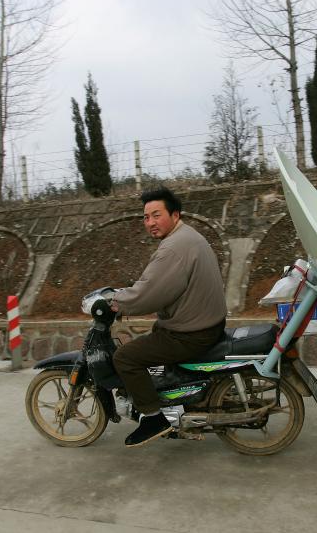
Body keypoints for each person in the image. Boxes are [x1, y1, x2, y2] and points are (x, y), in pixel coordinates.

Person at [110, 187, 227, 447]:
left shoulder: (174, 248)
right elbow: (157, 285)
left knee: (126, 357)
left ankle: (153, 418)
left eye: (156, 215)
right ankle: (173, 397)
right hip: (203, 323)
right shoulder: (186, 236)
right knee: (153, 335)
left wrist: (116, 303)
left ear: (175, 214)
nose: (150, 223)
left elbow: (150, 292)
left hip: (191, 332)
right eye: (146, 217)